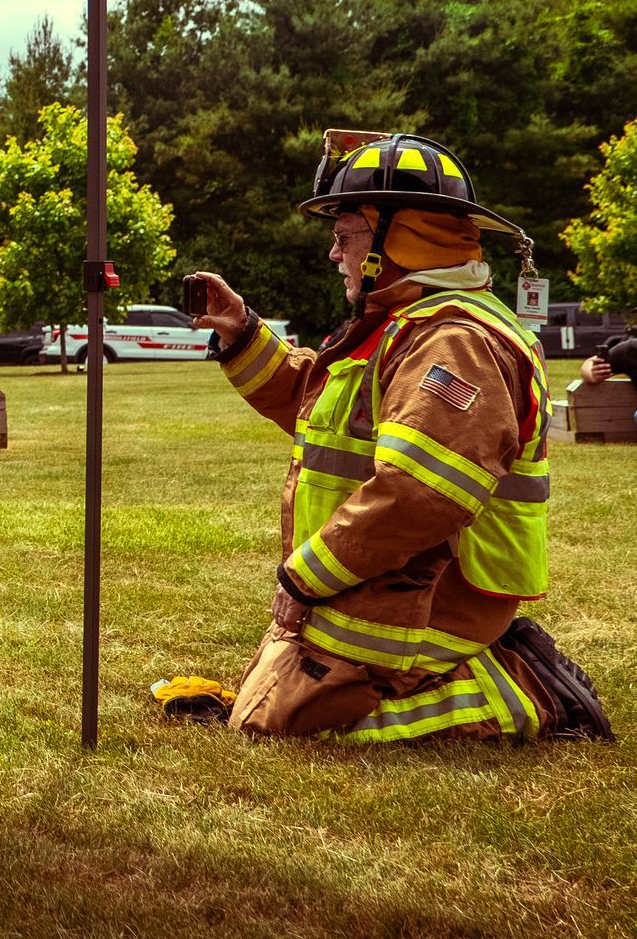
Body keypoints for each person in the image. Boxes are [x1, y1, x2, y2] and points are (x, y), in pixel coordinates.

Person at [192, 131, 612, 742]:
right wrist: (241, 333)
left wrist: (303, 577)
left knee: (284, 723)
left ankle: (526, 687)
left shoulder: (454, 341)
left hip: (434, 587)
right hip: (386, 573)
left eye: (344, 238)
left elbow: (419, 495)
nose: (334, 256)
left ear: (395, 241)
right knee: (261, 704)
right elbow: (322, 409)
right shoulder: (399, 326)